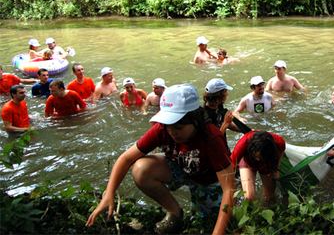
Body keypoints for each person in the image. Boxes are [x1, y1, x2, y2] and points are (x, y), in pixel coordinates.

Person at [85, 84, 236, 235]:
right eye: (168, 125)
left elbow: (230, 188)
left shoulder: (212, 137)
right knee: (141, 168)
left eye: (178, 127)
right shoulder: (162, 129)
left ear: (196, 120)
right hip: (182, 167)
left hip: (208, 180)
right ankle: (174, 211)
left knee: (213, 220)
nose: (172, 132)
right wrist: (109, 193)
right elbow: (125, 158)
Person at [231, 131, 285, 202]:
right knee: (249, 198)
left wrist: (276, 168)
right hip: (248, 162)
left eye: (260, 157)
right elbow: (230, 169)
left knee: (270, 196)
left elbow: (282, 149)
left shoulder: (277, 141)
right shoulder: (243, 144)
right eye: (256, 156)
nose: (258, 159)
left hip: (266, 163)